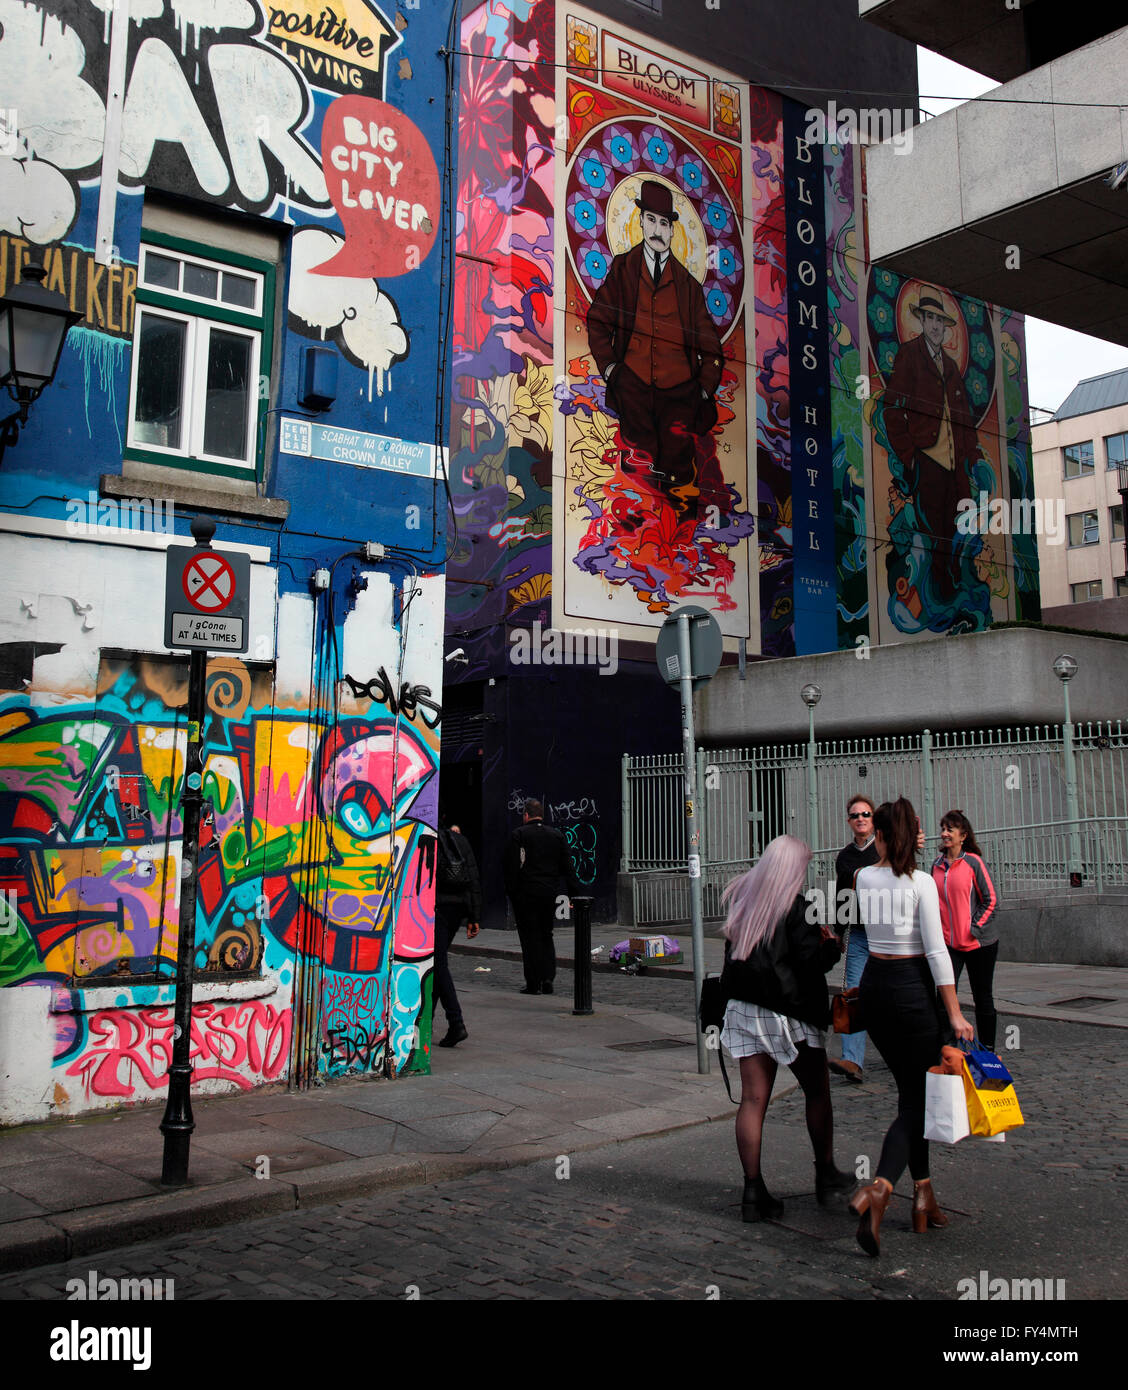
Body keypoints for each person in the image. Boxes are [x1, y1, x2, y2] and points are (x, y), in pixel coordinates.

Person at [850, 798, 974, 1256]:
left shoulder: (864, 877)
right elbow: (938, 951)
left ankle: (924, 1198)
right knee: (917, 1104)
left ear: (879, 835)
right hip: (910, 989)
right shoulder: (921, 882)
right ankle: (879, 1189)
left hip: (875, 989)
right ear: (912, 837)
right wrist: (956, 1013)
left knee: (910, 1093)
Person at [719, 835, 851, 1222]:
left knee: (753, 1100)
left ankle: (752, 1191)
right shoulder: (797, 907)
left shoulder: (744, 900)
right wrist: (831, 944)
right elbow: (812, 962)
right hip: (787, 1012)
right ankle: (825, 1173)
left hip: (744, 1008)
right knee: (817, 1091)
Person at [586, 180, 725, 516]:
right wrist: (611, 371)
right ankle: (634, 539)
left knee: (679, 473)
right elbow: (597, 319)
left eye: (665, 223)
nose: (658, 229)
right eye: (652, 220)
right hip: (632, 385)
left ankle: (680, 542)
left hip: (679, 395)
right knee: (638, 466)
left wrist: (702, 392)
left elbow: (712, 347)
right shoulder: (623, 268)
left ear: (673, 230)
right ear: (641, 222)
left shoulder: (688, 286)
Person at [883, 286, 979, 598]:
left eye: (940, 320)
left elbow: (963, 419)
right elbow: (893, 409)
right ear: (921, 322)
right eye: (929, 319)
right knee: (933, 531)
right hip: (927, 462)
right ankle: (939, 592)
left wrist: (973, 459)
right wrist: (910, 457)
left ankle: (951, 586)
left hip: (954, 469)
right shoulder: (909, 355)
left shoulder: (950, 366)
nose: (935, 326)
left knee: (952, 531)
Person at [933, 809, 999, 1049]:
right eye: (943, 829)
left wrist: (974, 927)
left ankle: (989, 1049)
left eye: (950, 829)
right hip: (949, 944)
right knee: (943, 998)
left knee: (983, 997)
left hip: (979, 944)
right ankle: (948, 1049)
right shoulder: (937, 865)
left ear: (963, 835)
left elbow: (991, 899)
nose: (944, 834)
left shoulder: (973, 862)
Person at [503, 799, 577, 995]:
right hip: (548, 892)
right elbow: (568, 867)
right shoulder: (556, 835)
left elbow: (511, 868)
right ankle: (547, 977)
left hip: (526, 893)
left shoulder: (519, 834)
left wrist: (513, 892)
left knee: (529, 938)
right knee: (546, 934)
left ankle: (533, 981)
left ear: (526, 815)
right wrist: (574, 894)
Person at [829, 793, 877, 1083]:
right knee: (852, 995)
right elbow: (841, 897)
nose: (861, 819)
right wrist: (837, 930)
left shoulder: (884, 850)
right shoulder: (845, 856)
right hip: (858, 935)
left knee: (893, 995)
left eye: (866, 814)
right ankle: (852, 1061)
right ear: (849, 821)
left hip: (887, 935)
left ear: (873, 820)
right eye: (855, 815)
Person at [433, 821, 481, 1047]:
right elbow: (473, 878)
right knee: (435, 961)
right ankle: (424, 1021)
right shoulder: (461, 840)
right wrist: (473, 916)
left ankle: (456, 1022)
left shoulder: (427, 837)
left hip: (437, 907)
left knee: (438, 962)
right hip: (458, 908)